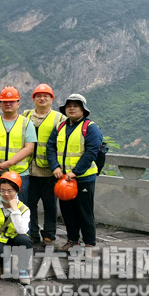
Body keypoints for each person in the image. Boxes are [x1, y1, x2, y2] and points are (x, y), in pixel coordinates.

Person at [47, 94, 103, 253]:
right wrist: (55, 167)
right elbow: (50, 147)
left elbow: (91, 152)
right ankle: (72, 241)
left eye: (76, 106)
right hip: (63, 179)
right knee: (67, 212)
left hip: (83, 179)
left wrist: (76, 172)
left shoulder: (90, 128)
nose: (72, 108)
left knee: (84, 212)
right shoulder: (60, 127)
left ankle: (90, 245)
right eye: (69, 106)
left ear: (83, 110)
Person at [23, 84, 64, 246]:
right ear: (33, 99)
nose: (42, 98)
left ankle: (49, 235)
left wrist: (59, 166)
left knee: (50, 205)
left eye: (46, 96)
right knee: (29, 205)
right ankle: (32, 233)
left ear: (52, 99)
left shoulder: (59, 118)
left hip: (49, 171)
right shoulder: (25, 115)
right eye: (38, 96)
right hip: (29, 170)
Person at [0, 171, 32, 285]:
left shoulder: (24, 209)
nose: (6, 194)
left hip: (15, 239)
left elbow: (21, 231)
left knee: (24, 240)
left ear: (17, 190)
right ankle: (8, 264)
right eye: (2, 190)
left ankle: (23, 269)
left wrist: (15, 210)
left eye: (10, 191)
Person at [0, 86, 36, 199]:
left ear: (18, 104)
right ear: (0, 104)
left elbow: (29, 148)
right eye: (4, 101)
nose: (8, 104)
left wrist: (9, 163)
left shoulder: (26, 123)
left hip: (19, 174)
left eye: (12, 101)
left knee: (19, 206)